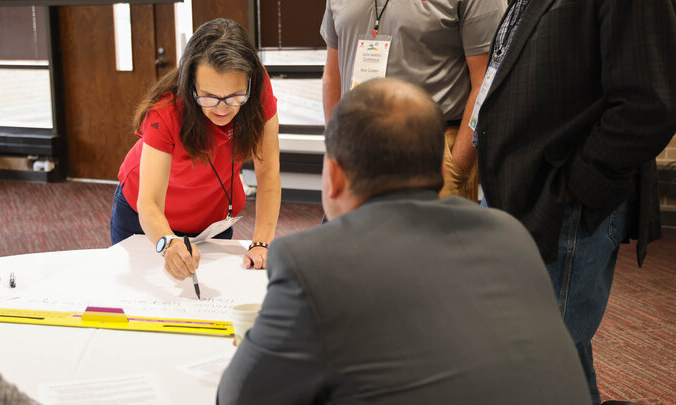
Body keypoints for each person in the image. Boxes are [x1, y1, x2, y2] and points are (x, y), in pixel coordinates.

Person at [217, 78, 591, 404]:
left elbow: (239, 396)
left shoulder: (310, 263)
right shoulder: (511, 235)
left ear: (332, 176)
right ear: (439, 166)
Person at [460, 1, 676, 403]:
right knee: (555, 357)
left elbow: (649, 106)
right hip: (523, 196)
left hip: (563, 206)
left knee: (541, 363)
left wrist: (574, 185)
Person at [110, 19, 281, 276]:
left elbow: (268, 174)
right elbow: (149, 203)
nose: (223, 108)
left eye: (235, 97)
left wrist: (261, 243)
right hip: (146, 219)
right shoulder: (166, 109)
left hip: (211, 216)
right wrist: (167, 243)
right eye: (209, 97)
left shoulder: (257, 89)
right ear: (190, 85)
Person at [320, 0, 506, 201]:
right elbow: (333, 73)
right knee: (356, 232)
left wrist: (457, 167)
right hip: (354, 148)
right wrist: (336, 146)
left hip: (432, 150)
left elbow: (487, 81)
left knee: (427, 233)